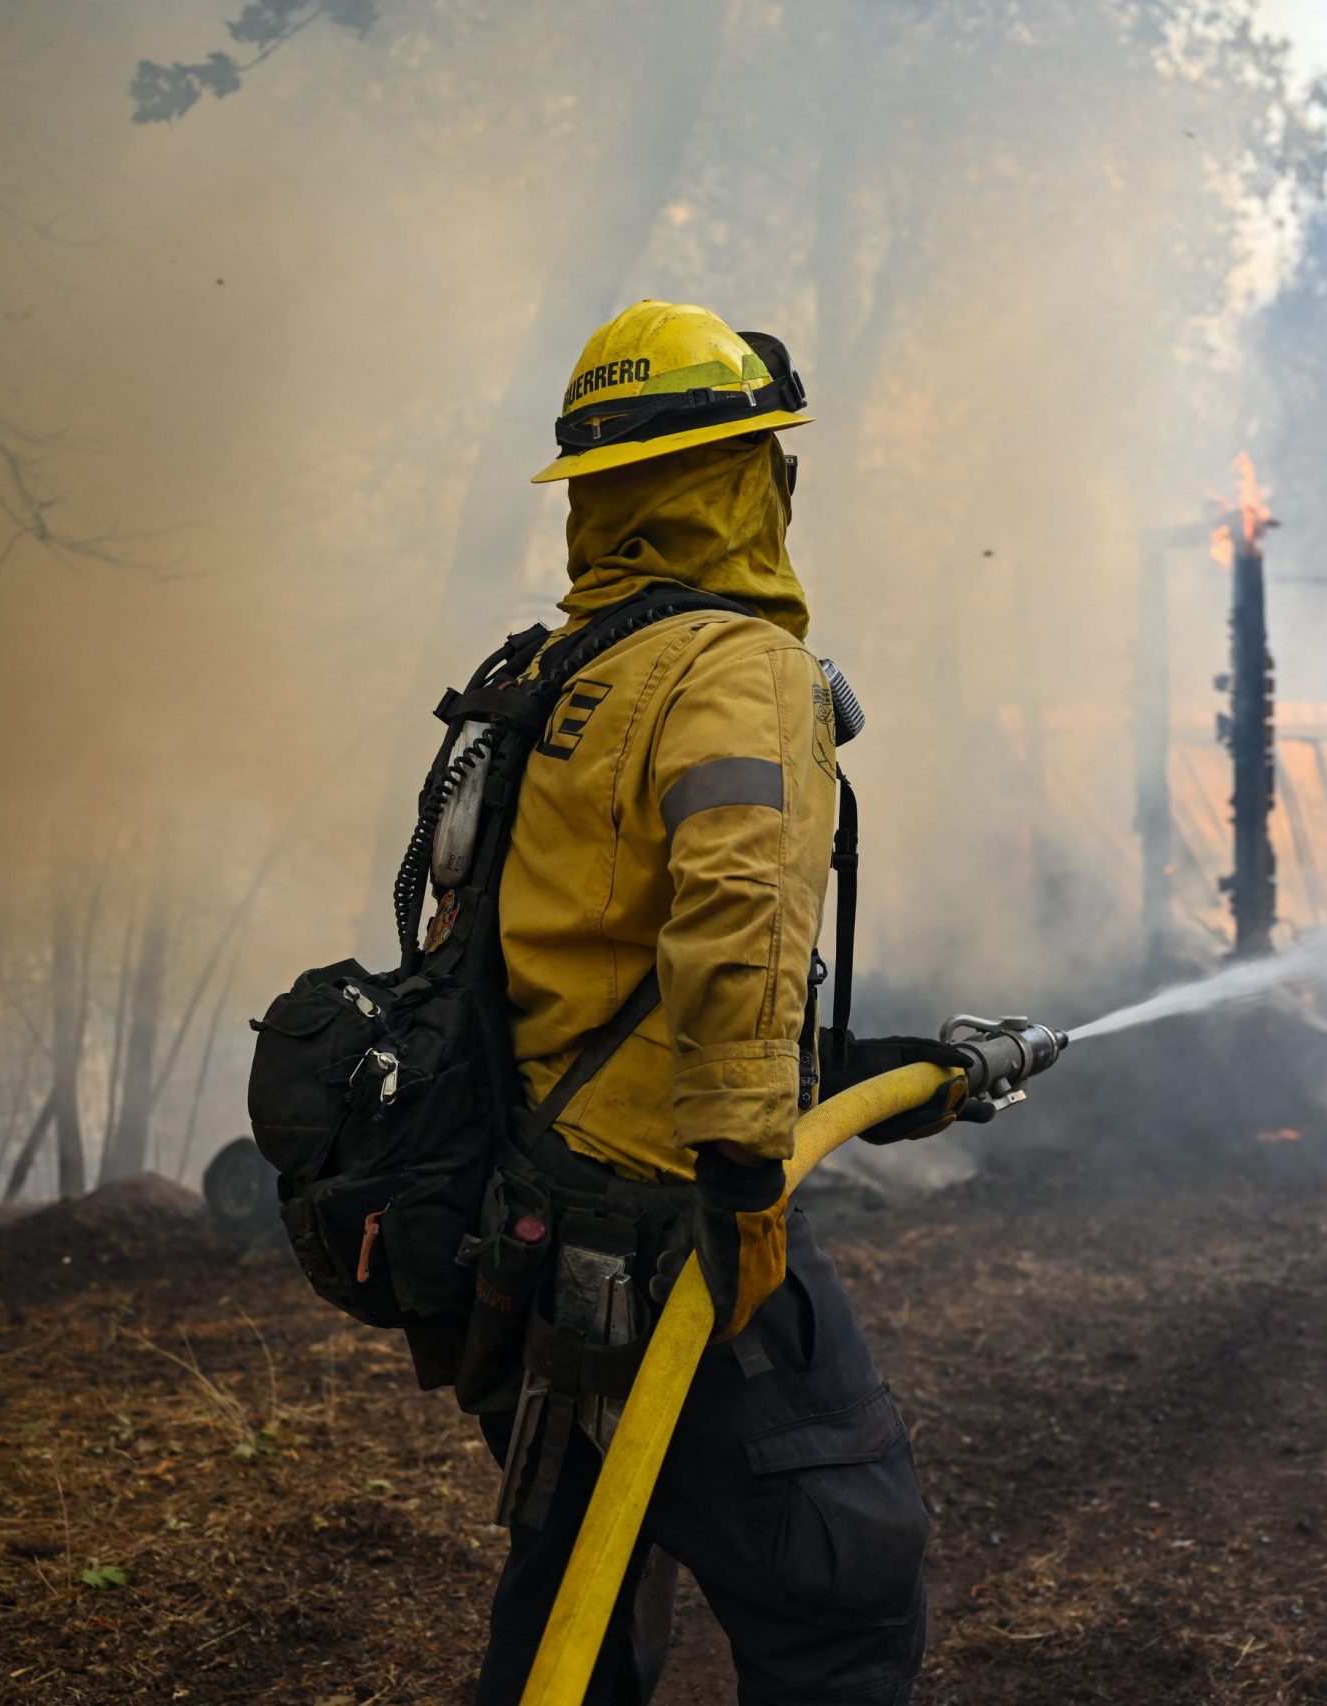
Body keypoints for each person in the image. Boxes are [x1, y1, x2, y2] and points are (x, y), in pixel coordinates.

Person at [471, 300, 930, 1705]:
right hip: (668, 1222)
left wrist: (841, 1068)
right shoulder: (738, 668)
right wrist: (747, 1183)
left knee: (581, 1604)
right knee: (841, 1580)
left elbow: (568, 946)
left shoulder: (552, 676)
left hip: (531, 1222)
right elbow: (731, 919)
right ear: (741, 479)